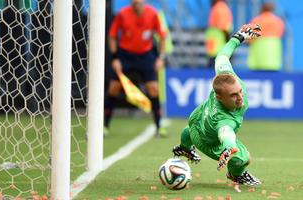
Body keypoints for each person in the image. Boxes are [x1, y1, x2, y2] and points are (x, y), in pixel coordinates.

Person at [172, 24, 262, 186]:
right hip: (209, 143)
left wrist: (237, 38)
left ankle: (185, 147)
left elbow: (222, 57)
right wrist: (228, 148)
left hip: (196, 120)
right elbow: (225, 133)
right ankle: (236, 175)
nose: (240, 97)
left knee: (190, 129)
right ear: (219, 97)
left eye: (239, 91)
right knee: (244, 158)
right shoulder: (225, 119)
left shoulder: (227, 77)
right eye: (233, 95)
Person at [104, 0, 167, 137]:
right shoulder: (122, 14)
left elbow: (163, 36)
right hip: (125, 55)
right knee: (113, 87)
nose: (137, 4)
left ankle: (159, 126)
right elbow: (112, 36)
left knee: (154, 89)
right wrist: (115, 58)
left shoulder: (153, 14)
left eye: (139, 2)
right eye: (134, 2)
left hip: (146, 56)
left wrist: (161, 57)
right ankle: (105, 126)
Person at [247, 1, 285, 70]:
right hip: (274, 61)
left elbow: (250, 38)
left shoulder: (257, 20)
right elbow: (280, 34)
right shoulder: (278, 21)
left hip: (258, 61)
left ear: (262, 8)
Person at [205, 0, 233, 68]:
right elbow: (224, 27)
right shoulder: (221, 7)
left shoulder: (218, 7)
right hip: (219, 45)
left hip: (216, 45)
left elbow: (223, 26)